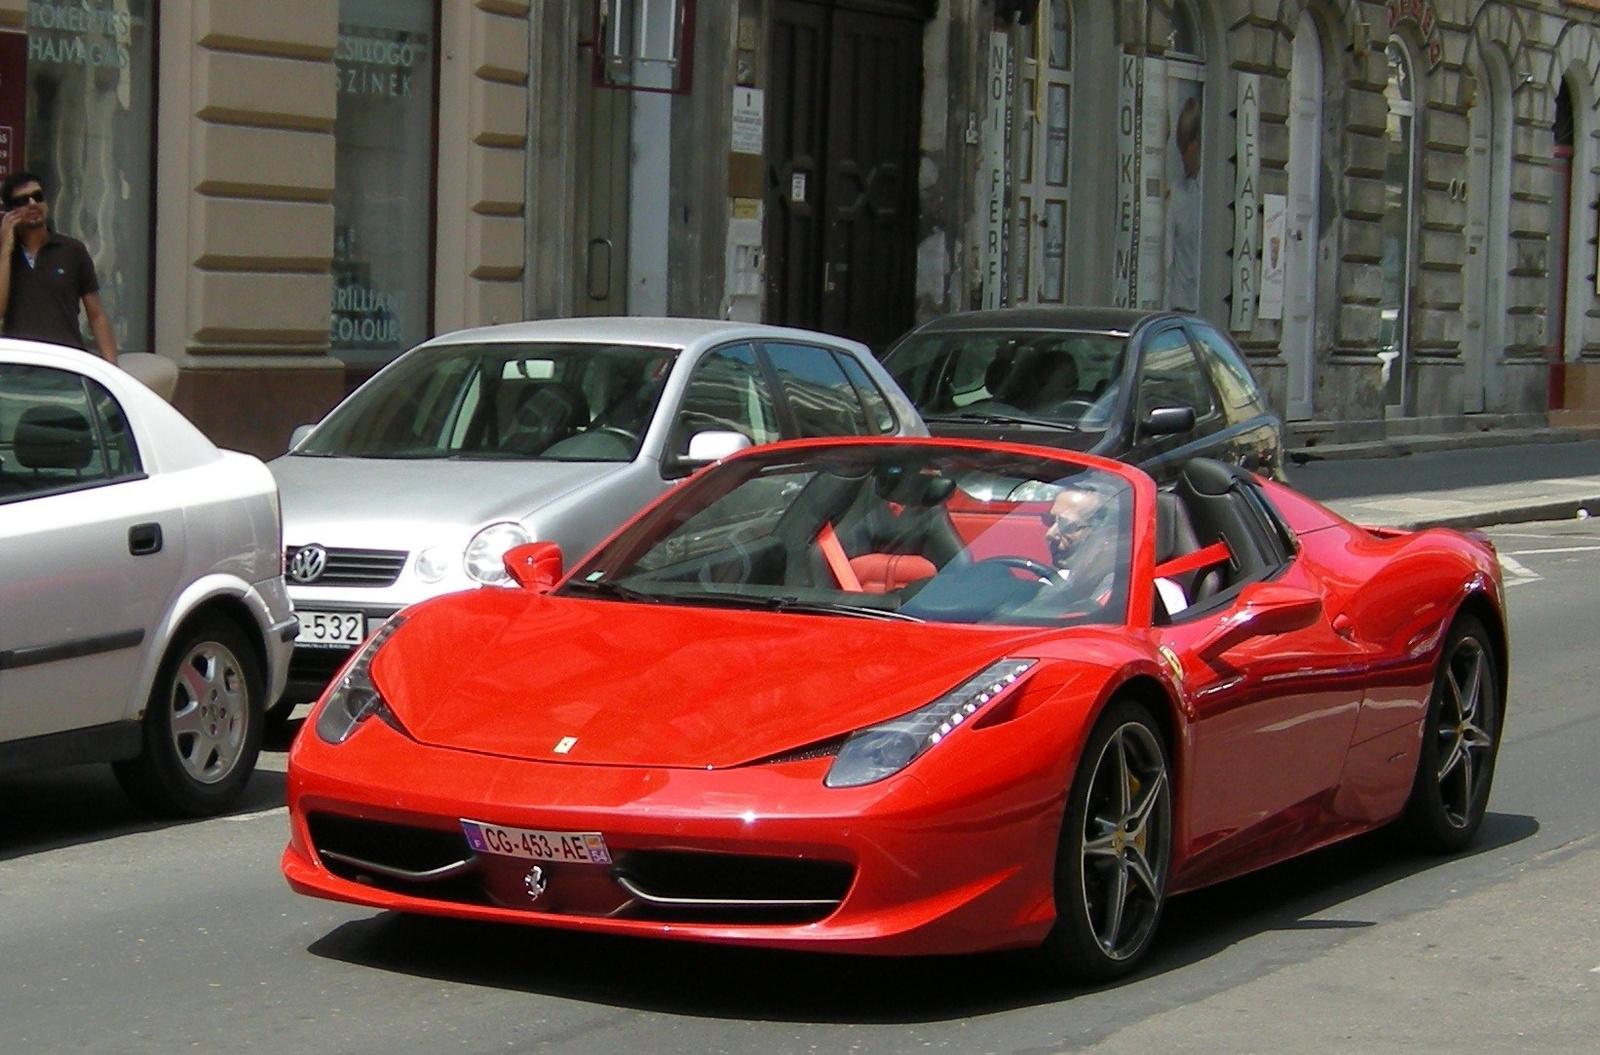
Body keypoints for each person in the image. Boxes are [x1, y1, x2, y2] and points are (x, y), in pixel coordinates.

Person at [0, 170, 118, 363]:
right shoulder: (4, 256)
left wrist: (113, 370)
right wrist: (5, 250)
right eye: (22, 200)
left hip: (67, 368)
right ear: (10, 212)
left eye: (37, 197)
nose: (32, 204)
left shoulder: (73, 250)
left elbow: (96, 315)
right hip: (18, 373)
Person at [1164, 96, 1202, 314]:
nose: (1184, 159)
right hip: (1181, 307)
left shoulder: (1206, 194)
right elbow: (1168, 259)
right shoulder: (1176, 195)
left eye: (1186, 150)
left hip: (1201, 305)